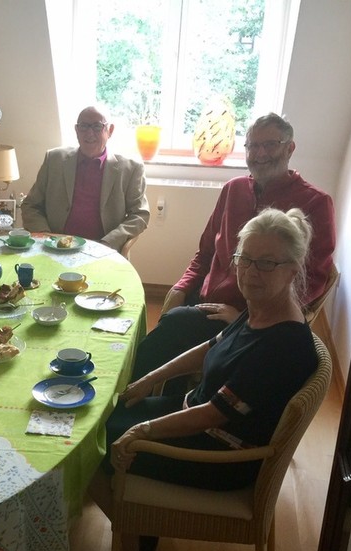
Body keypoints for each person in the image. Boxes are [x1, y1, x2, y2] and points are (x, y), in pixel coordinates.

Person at [96, 207, 319, 551]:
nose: (250, 273)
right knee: (100, 419)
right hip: (195, 419)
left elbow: (214, 415)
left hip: (218, 456)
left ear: (293, 269)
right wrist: (153, 376)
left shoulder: (283, 347)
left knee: (93, 446)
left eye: (267, 263)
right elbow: (212, 346)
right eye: (245, 259)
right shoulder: (262, 310)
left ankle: (134, 533)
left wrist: (144, 431)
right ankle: (141, 518)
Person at [130, 113, 335, 387]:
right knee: (169, 326)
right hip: (205, 299)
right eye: (252, 146)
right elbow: (204, 253)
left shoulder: (315, 202)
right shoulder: (233, 189)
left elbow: (311, 281)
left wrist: (248, 317)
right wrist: (181, 287)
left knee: (173, 329)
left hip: (252, 316)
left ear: (290, 148)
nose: (260, 154)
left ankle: (128, 399)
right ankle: (150, 397)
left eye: (270, 144)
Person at [21, 105, 150, 253]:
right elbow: (30, 205)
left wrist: (109, 242)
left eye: (97, 126)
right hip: (55, 247)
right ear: (76, 130)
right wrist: (46, 236)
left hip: (102, 251)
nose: (89, 133)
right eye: (83, 126)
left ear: (110, 130)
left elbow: (140, 214)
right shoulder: (54, 159)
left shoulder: (131, 168)